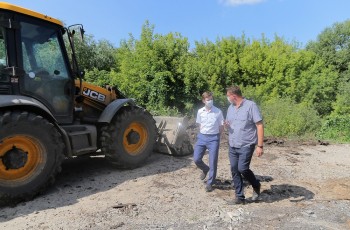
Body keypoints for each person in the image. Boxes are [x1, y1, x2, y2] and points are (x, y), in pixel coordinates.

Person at [225, 85, 264, 204]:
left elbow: (259, 125)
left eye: (228, 96)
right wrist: (227, 125)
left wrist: (260, 146)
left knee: (242, 168)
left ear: (234, 96)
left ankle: (256, 185)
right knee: (234, 169)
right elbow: (230, 124)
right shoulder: (230, 108)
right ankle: (239, 197)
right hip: (233, 143)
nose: (227, 98)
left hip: (246, 144)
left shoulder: (250, 106)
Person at [193, 91, 224, 192]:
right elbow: (199, 124)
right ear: (203, 101)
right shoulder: (200, 111)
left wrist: (218, 137)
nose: (210, 101)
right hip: (202, 137)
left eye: (211, 99)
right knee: (196, 159)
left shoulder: (218, 111)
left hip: (213, 138)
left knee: (213, 161)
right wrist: (201, 134)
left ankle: (210, 183)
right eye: (208, 100)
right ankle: (205, 169)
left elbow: (221, 126)